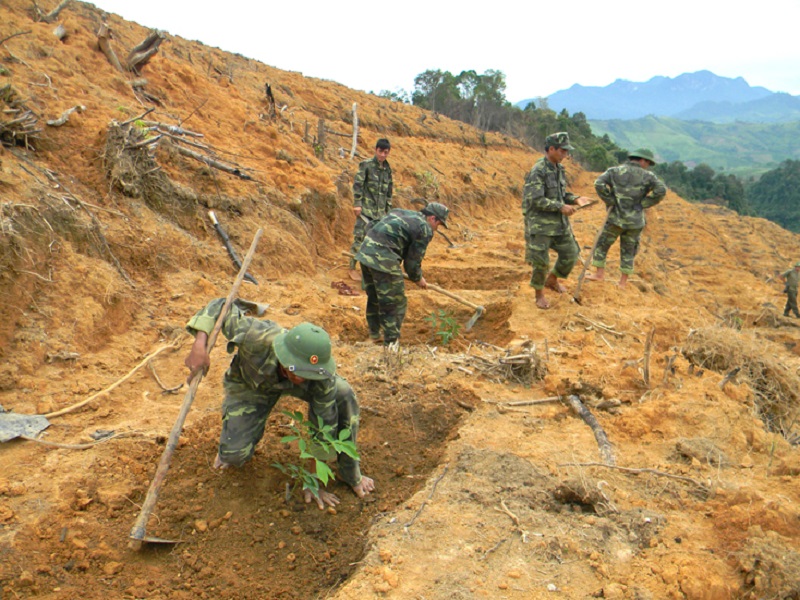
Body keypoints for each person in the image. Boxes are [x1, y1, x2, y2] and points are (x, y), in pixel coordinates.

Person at [184, 298, 375, 509]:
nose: (301, 377)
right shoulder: (256, 336)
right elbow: (222, 305)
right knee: (234, 455)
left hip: (303, 391)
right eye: (297, 370)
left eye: (307, 373)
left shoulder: (320, 378)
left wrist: (313, 482)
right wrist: (199, 345)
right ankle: (232, 448)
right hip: (251, 385)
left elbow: (322, 429)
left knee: (343, 394)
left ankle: (350, 472)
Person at [354, 202, 449, 345]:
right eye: (439, 224)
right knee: (395, 302)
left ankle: (374, 336)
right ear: (432, 218)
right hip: (384, 258)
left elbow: (372, 225)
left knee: (375, 297)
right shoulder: (424, 229)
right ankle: (391, 344)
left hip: (365, 253)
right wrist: (418, 278)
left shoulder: (402, 212)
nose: (436, 229)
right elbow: (412, 262)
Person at [522, 132, 593, 309]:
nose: (565, 155)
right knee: (541, 261)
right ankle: (539, 294)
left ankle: (552, 279)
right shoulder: (538, 170)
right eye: (562, 151)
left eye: (567, 151)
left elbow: (561, 194)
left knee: (571, 252)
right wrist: (560, 207)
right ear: (551, 149)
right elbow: (536, 199)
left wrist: (576, 199)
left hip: (559, 224)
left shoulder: (558, 169)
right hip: (540, 225)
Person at [587, 148, 667, 288]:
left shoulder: (614, 171)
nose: (647, 166)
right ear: (642, 160)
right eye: (647, 163)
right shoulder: (648, 176)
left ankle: (599, 274)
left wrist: (610, 200)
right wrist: (644, 203)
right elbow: (661, 190)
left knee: (603, 244)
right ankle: (622, 282)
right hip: (635, 222)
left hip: (615, 218)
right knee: (628, 251)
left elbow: (598, 183)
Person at [349, 138, 393, 279]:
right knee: (360, 238)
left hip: (380, 213)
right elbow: (358, 185)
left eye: (385, 152)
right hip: (366, 210)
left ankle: (370, 269)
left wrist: (388, 211)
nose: (382, 155)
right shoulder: (366, 165)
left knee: (376, 242)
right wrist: (357, 204)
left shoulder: (387, 170)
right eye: (380, 151)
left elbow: (389, 192)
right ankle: (351, 267)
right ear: (376, 150)